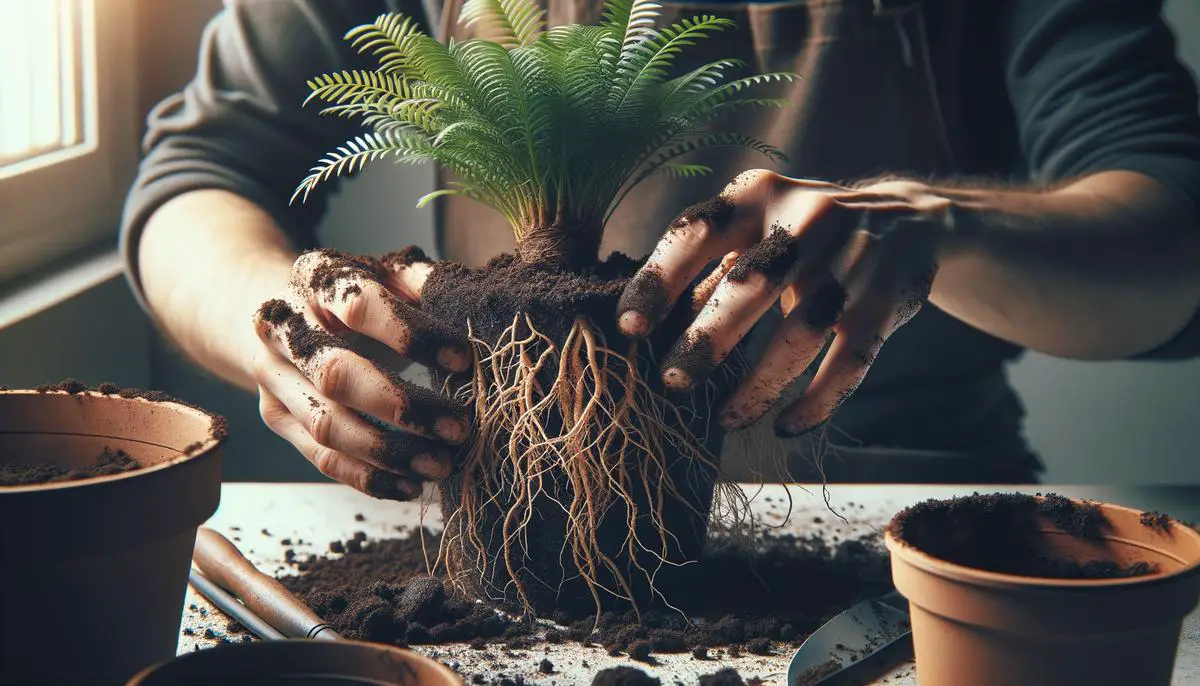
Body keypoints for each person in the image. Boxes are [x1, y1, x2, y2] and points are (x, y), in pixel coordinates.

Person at [121, 0, 1200, 498]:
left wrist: (926, 222)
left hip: (908, 529)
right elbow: (197, 178)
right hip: (527, 503)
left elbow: (1173, 233)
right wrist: (286, 324)